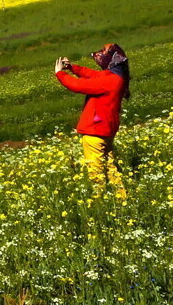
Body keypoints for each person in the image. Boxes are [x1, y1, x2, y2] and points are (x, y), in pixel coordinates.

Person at [54, 44, 130, 196]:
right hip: (105, 131)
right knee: (109, 167)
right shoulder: (117, 77)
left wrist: (60, 74)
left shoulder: (109, 81)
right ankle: (121, 198)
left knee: (96, 172)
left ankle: (99, 201)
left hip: (95, 131)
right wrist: (73, 68)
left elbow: (78, 85)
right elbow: (93, 75)